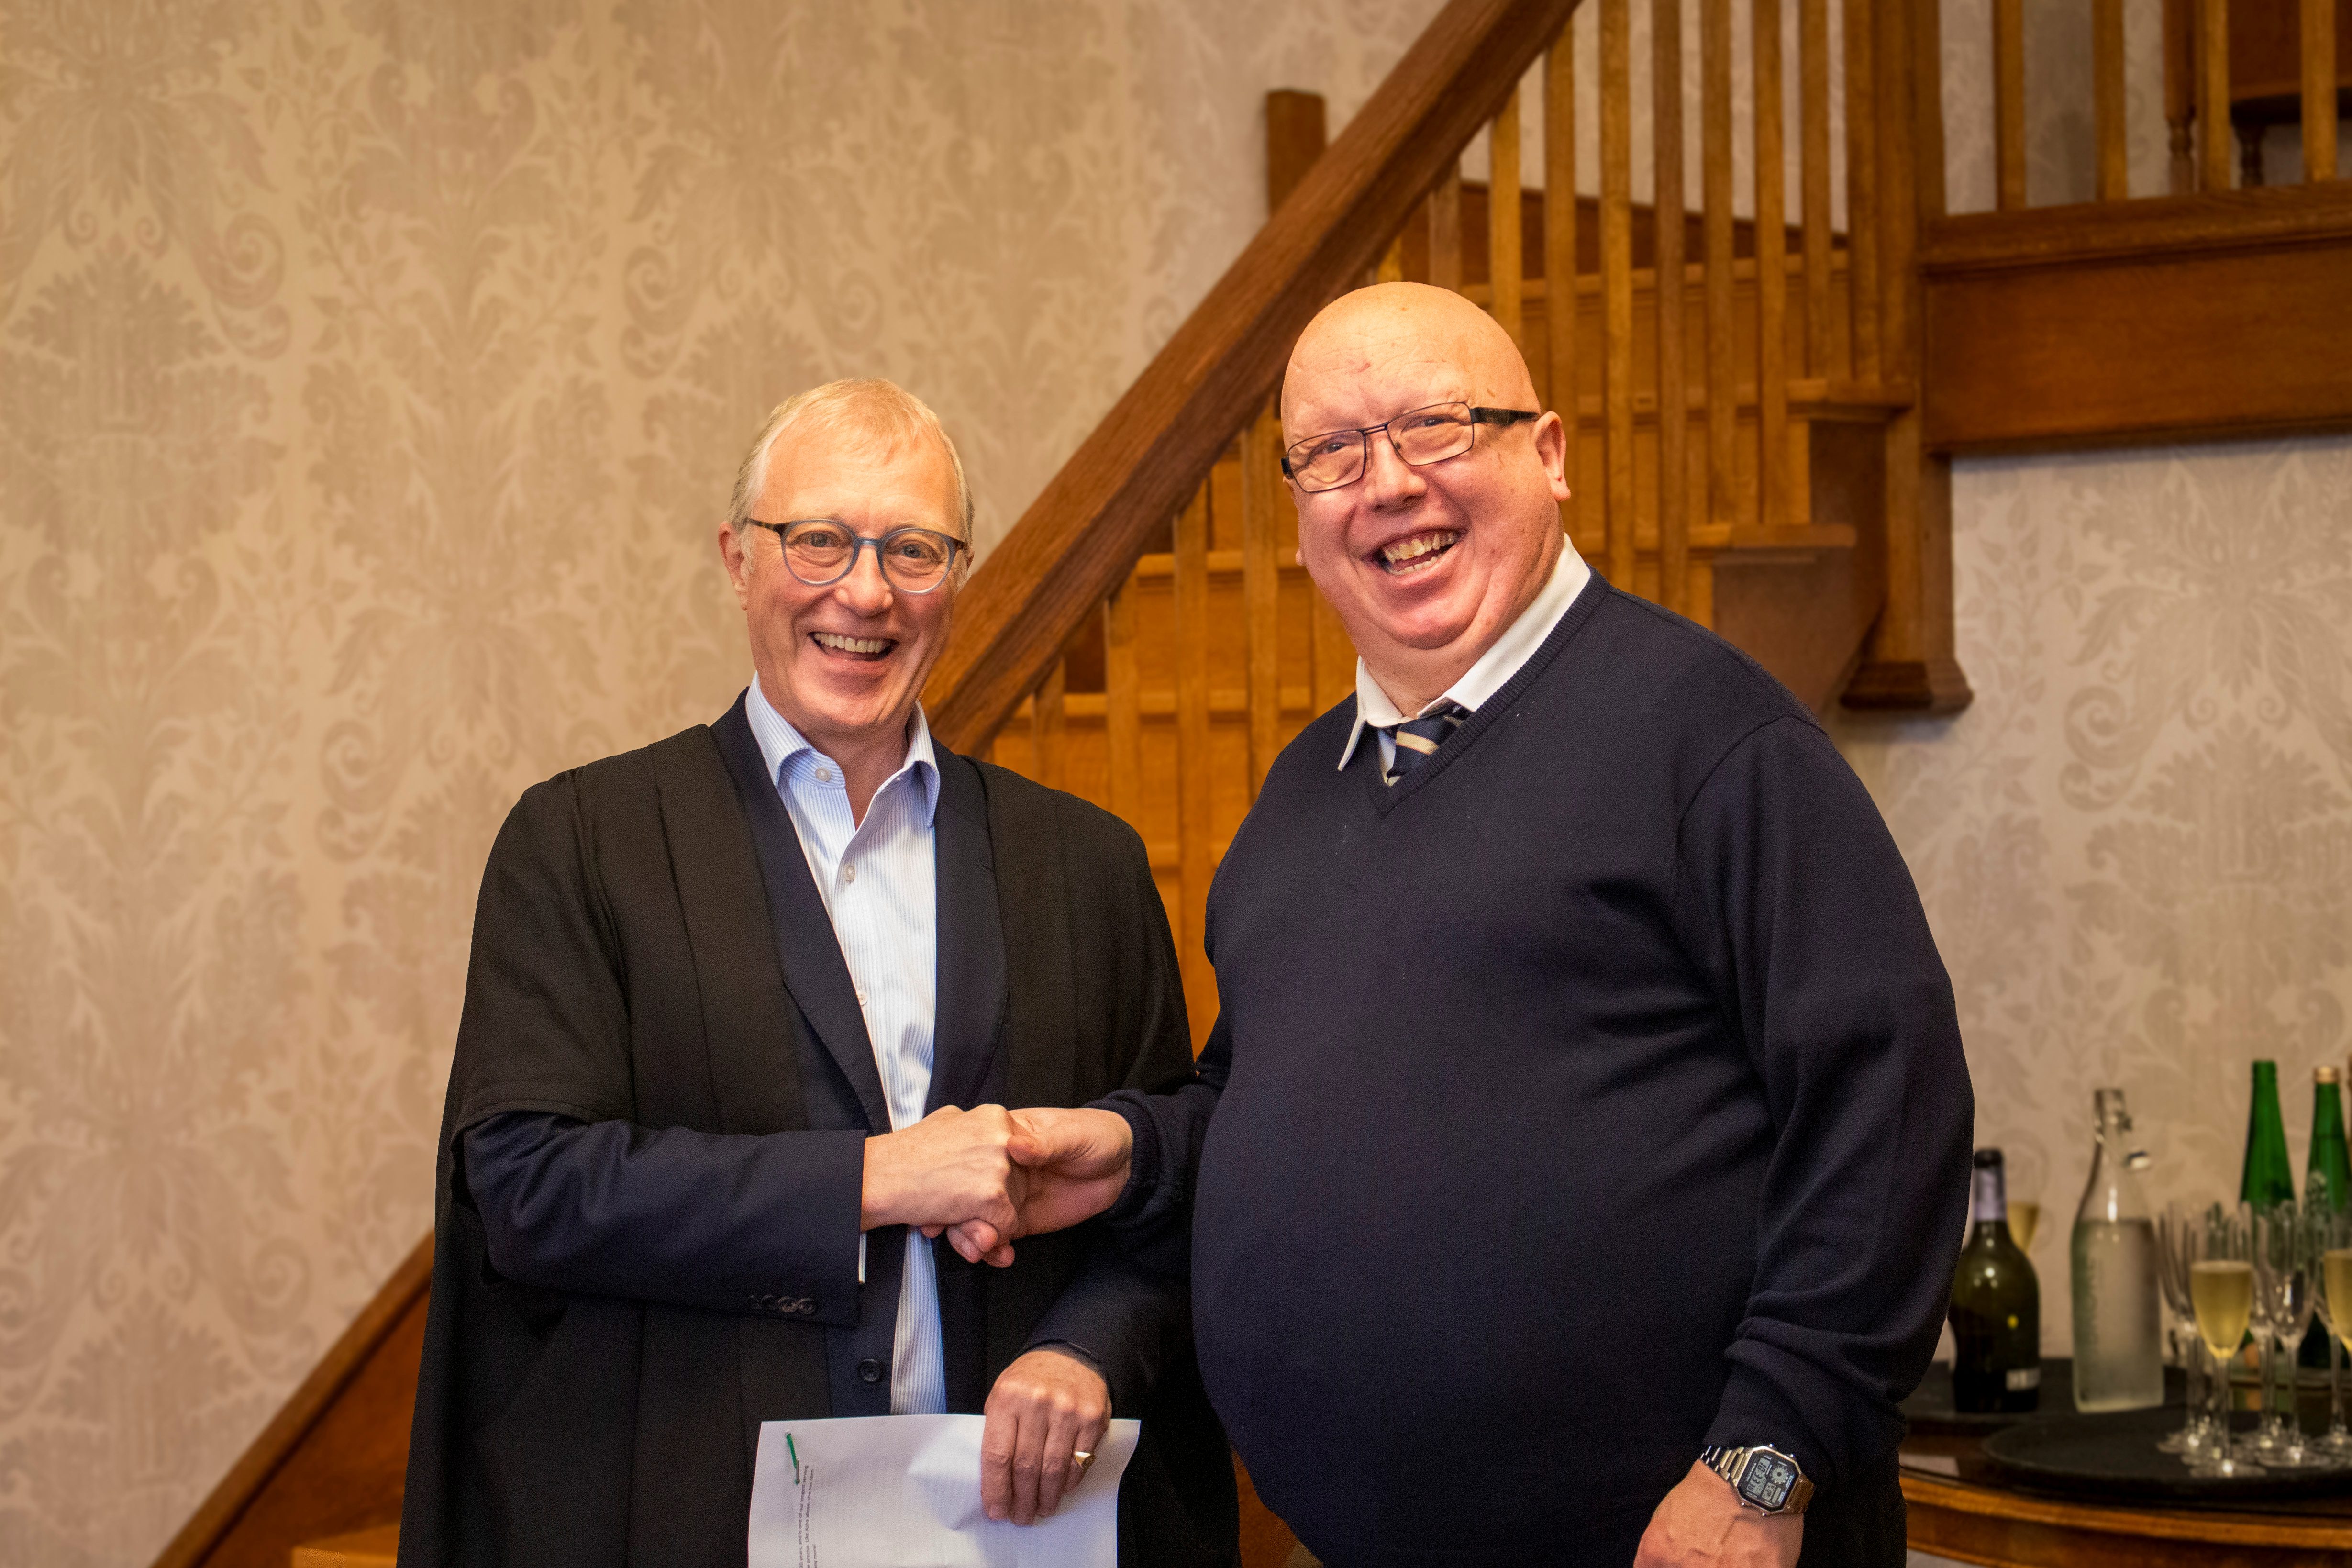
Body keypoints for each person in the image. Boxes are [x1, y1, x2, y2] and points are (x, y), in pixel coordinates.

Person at [966, 286, 1974, 1567]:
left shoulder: (1715, 739)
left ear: (1548, 455)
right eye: (1333, 453)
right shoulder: (1299, 794)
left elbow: (1888, 1111)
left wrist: (1762, 1466)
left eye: (1437, 427)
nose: (1388, 484)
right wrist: (1132, 1151)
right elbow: (1265, 1098)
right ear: (1300, 515)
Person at [398, 379, 1235, 1568]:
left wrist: (1087, 1347)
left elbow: (1168, 1173)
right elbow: (527, 1187)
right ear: (738, 560)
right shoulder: (582, 842)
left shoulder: (1084, 865)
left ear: (957, 577)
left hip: (1010, 1531)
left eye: (913, 549)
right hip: (691, 1516)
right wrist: (874, 1179)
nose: (866, 591)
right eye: (819, 540)